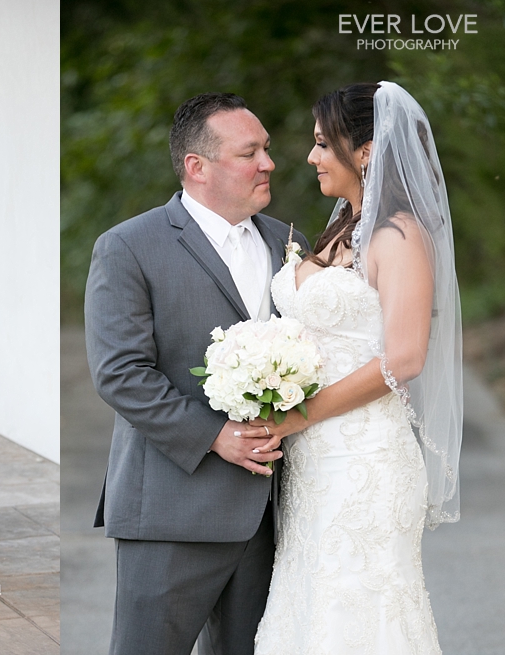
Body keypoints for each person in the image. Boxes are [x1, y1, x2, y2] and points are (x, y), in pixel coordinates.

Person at [84, 92, 307, 655]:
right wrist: (215, 435)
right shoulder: (128, 246)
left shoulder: (289, 244)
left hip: (273, 514)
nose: (268, 163)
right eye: (249, 153)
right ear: (197, 166)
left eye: (266, 149)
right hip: (171, 509)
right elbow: (120, 372)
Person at [247, 81, 462, 653]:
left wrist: (299, 415)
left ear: (364, 151)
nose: (311, 156)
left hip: (365, 460)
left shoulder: (399, 234)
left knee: (356, 615)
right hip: (315, 463)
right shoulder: (344, 226)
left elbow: (405, 357)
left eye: (323, 143)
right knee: (311, 610)